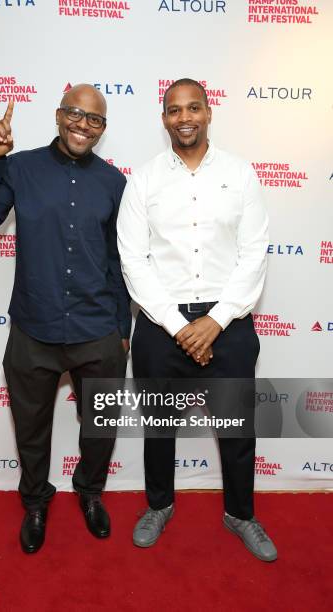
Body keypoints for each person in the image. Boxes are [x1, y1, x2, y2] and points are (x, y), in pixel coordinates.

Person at [0, 84, 131, 553]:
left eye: (94, 119)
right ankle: (36, 501)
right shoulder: (20, 167)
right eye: (75, 114)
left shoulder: (115, 183)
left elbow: (120, 262)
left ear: (102, 128)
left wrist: (123, 329)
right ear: (59, 116)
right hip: (33, 328)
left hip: (98, 329)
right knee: (32, 428)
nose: (83, 124)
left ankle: (91, 493)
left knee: (100, 427)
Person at [117, 78, 277, 562]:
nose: (183, 117)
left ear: (209, 112)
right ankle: (159, 506)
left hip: (227, 322)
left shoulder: (241, 174)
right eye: (173, 110)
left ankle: (240, 514)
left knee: (236, 428)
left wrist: (218, 319)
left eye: (193, 108)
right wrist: (176, 324)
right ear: (163, 117)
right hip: (160, 324)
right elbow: (134, 259)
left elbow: (254, 253)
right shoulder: (143, 180)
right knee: (159, 425)